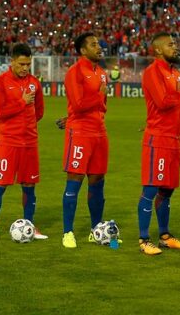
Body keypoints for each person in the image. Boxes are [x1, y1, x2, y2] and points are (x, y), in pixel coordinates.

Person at [0, 43, 48, 241]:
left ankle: (29, 225)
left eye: (28, 64)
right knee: (0, 184)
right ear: (11, 61)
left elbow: (39, 111)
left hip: (30, 143)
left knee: (29, 185)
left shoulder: (34, 83)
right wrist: (21, 102)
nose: (25, 68)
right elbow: (0, 113)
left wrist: (26, 125)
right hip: (8, 142)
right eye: (21, 64)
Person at [137, 33, 180, 255]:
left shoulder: (174, 72)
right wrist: (179, 92)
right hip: (157, 140)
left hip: (174, 140)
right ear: (158, 50)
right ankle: (144, 239)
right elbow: (163, 101)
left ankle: (165, 236)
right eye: (170, 44)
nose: (175, 47)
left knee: (167, 190)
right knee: (150, 189)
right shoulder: (152, 71)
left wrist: (177, 92)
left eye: (175, 43)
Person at [61, 33, 110, 249]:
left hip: (99, 132)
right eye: (93, 44)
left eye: (98, 43)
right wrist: (99, 96)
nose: (98, 47)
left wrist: (100, 101)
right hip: (80, 133)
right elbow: (79, 103)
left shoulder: (101, 73)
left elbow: (102, 106)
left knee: (97, 182)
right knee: (75, 180)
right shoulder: (75, 72)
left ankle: (95, 231)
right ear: (82, 50)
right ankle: (68, 233)